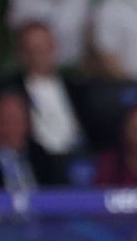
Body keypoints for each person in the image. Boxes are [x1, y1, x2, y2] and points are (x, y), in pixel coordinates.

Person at [12, 21, 89, 161]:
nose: (38, 56)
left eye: (43, 49)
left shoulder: (77, 87)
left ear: (54, 48)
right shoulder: (12, 90)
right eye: (31, 50)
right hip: (38, 161)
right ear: (21, 54)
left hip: (77, 158)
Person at [0, 89, 64, 191]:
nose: (12, 125)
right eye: (6, 118)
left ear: (28, 122)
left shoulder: (42, 157)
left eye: (17, 118)